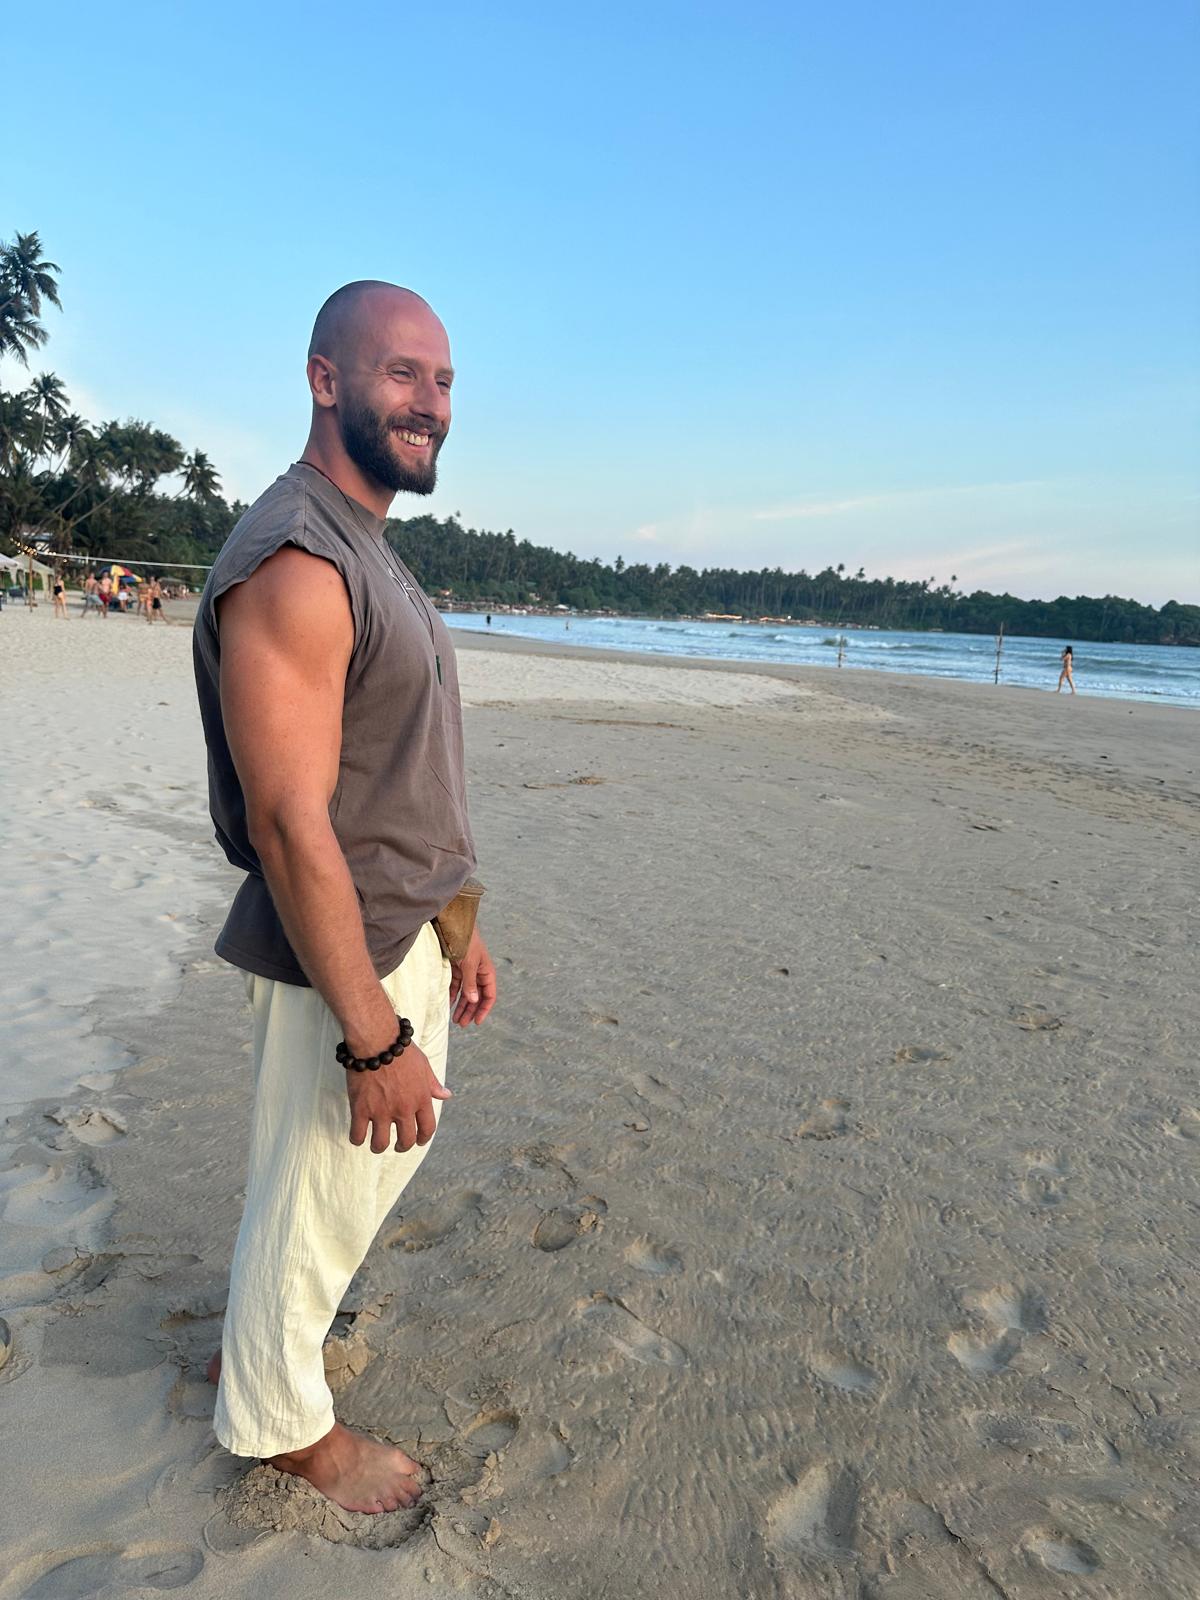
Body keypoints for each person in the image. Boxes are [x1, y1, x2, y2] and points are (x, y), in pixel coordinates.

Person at [193, 281, 496, 1516]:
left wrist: (462, 923)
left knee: (328, 1189)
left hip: (403, 928)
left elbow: (397, 765)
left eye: (443, 382)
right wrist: (372, 1031)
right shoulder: (301, 558)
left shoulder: (366, 543)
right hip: (348, 955)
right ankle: (282, 1431)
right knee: (321, 1192)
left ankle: (261, 1357)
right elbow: (287, 818)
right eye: (400, 374)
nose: (428, 403)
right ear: (326, 381)